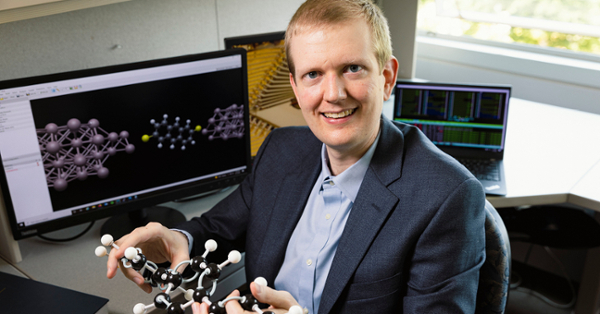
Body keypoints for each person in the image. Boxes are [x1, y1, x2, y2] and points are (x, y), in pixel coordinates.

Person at [106, 0, 486, 313]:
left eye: (352, 68)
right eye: (313, 75)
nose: (333, 94)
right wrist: (176, 237)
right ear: (294, 87)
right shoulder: (282, 150)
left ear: (386, 77)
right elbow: (216, 231)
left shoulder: (447, 197)